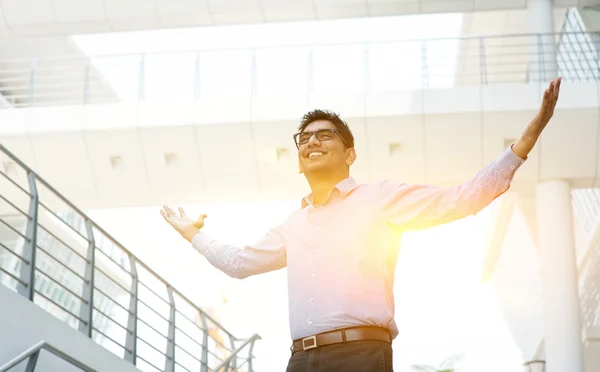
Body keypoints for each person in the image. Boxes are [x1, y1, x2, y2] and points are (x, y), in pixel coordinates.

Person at [160, 77, 562, 371]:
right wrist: (194, 233)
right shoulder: (292, 223)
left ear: (349, 154)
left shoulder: (380, 197)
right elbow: (239, 262)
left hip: (361, 356)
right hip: (300, 360)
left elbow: (461, 199)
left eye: (325, 135)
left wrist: (524, 143)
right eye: (304, 139)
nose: (311, 142)